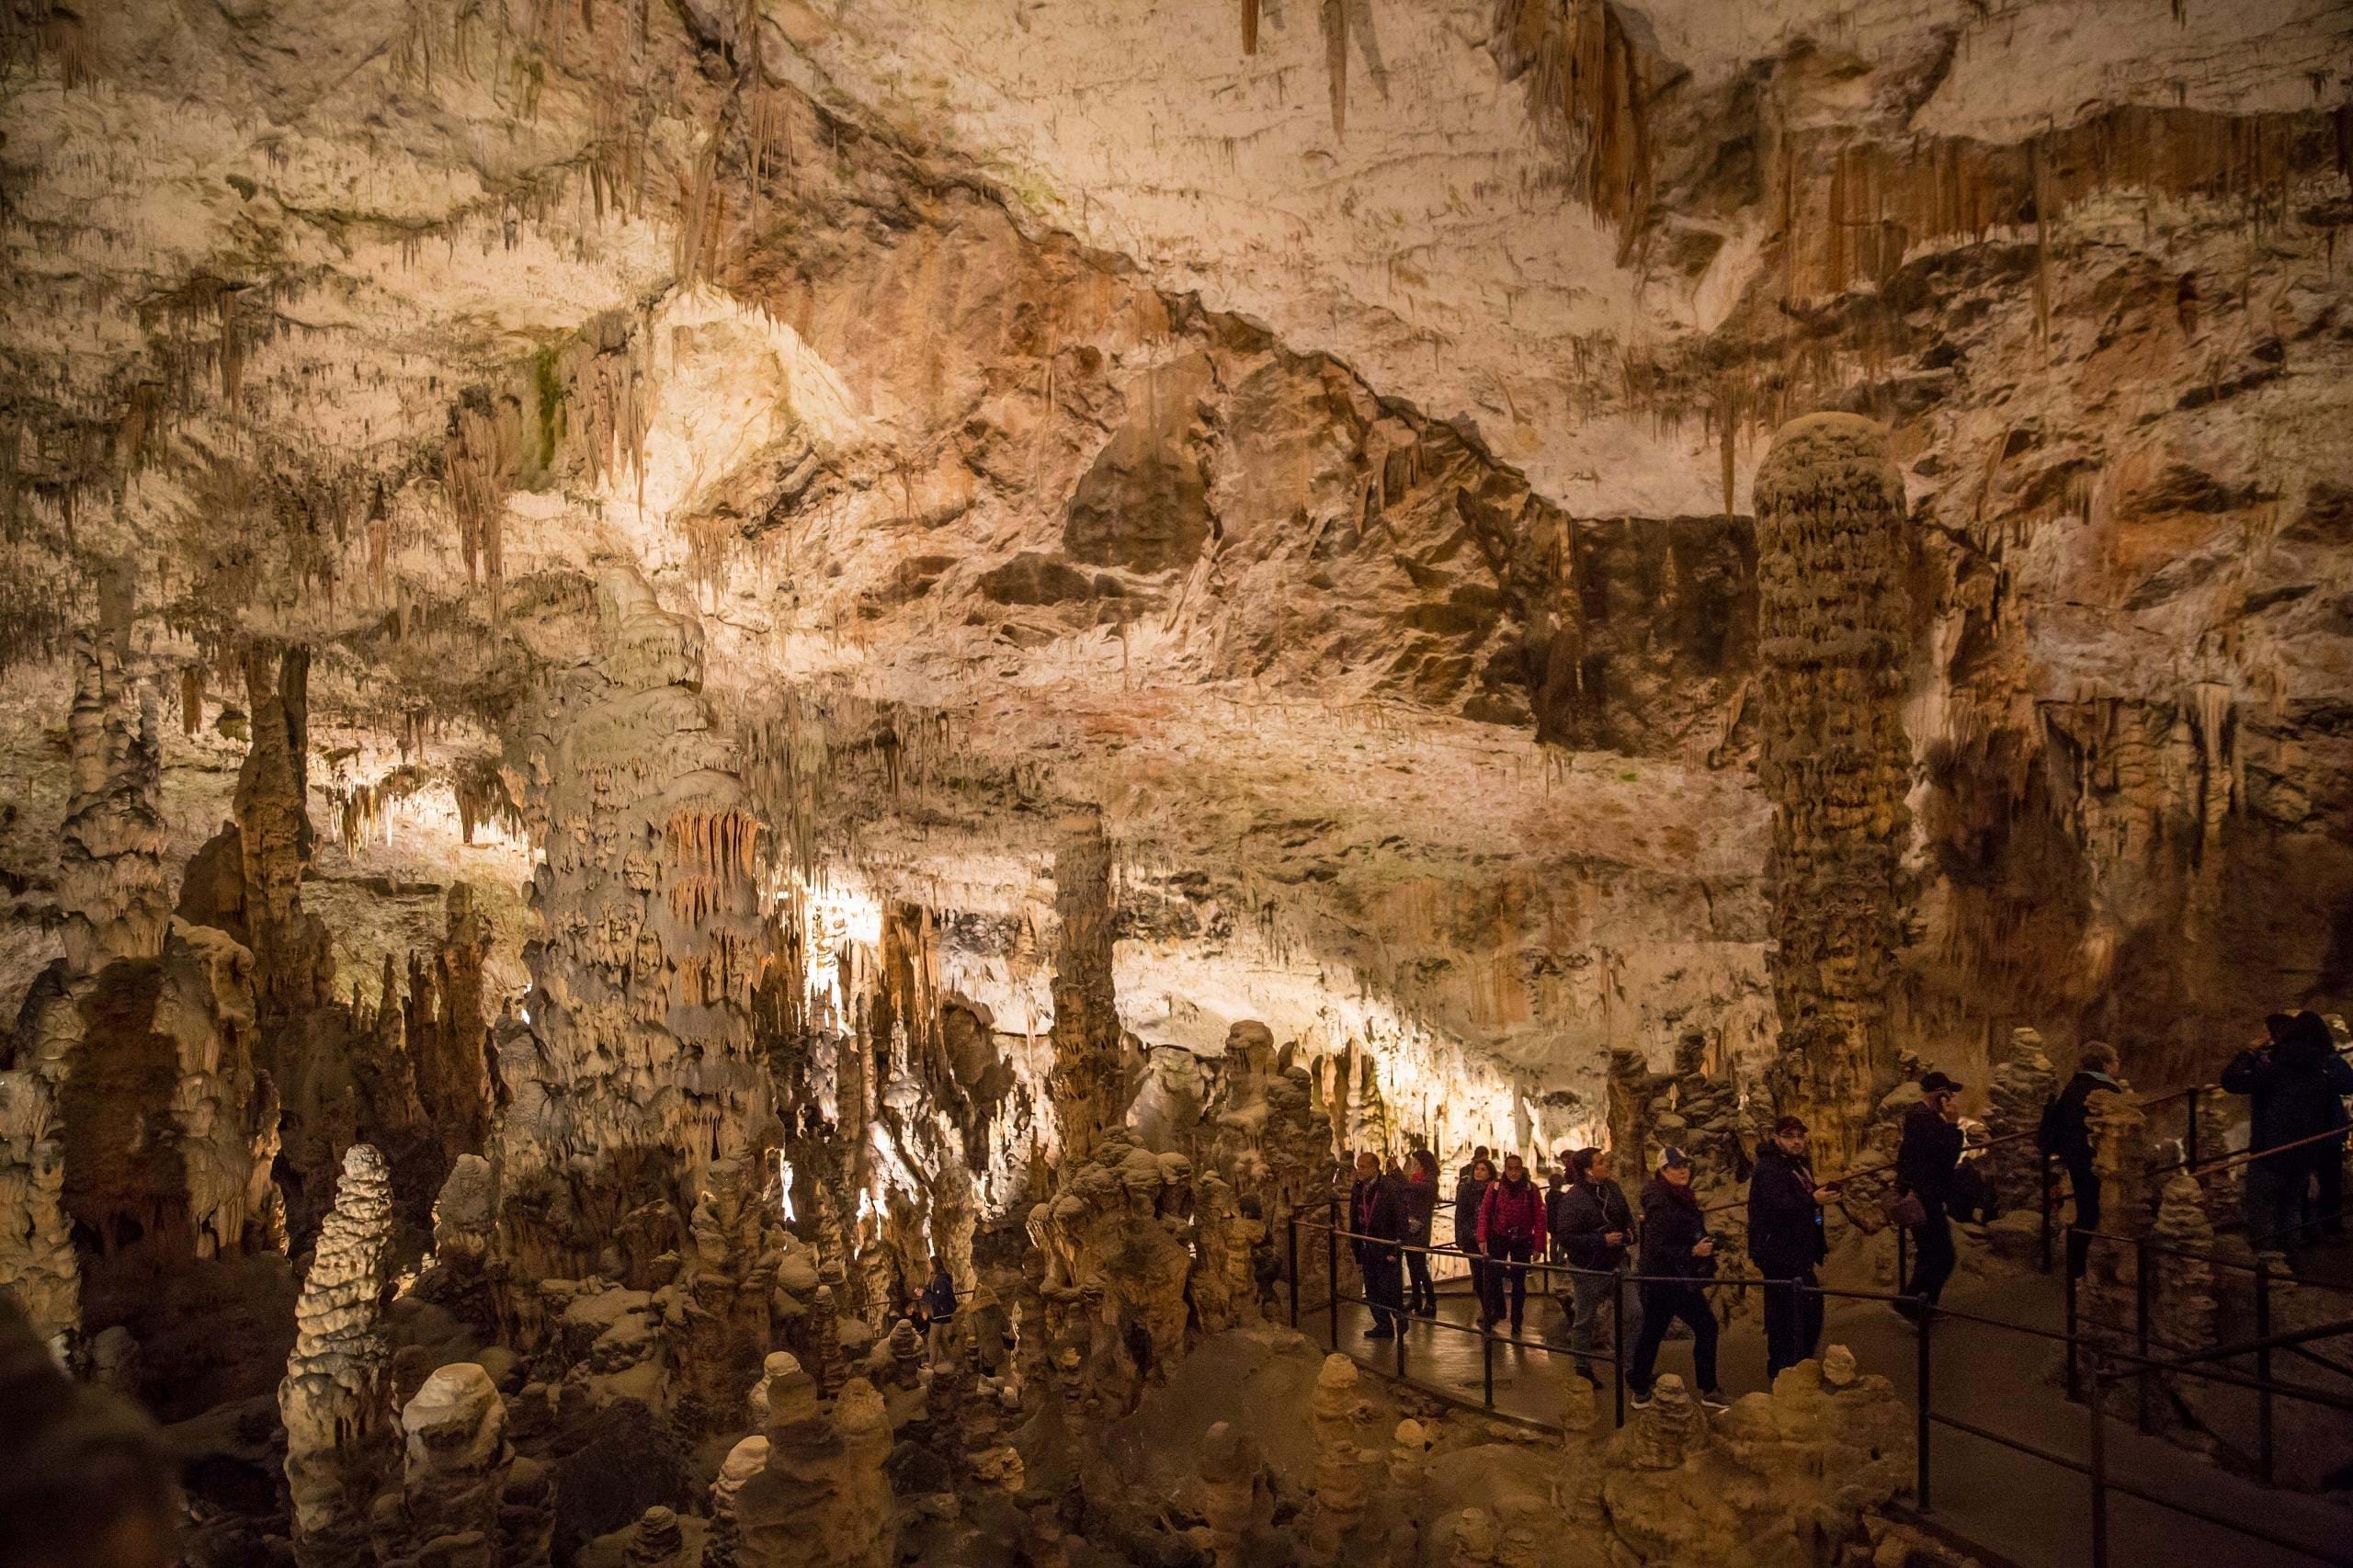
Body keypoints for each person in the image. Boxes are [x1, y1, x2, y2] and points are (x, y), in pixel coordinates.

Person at [2224, 1011, 2353, 1246]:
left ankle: (2268, 1269)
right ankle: (2289, 1266)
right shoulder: (2319, 1067)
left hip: (2271, 1151)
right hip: (2304, 1149)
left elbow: (2231, 1081)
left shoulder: (2277, 1069)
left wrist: (2250, 1052)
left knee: (2264, 1213)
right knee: (2291, 1209)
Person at [1625, 1147, 1725, 1411]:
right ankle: (1709, 1389)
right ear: (1662, 1171)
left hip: (1668, 1276)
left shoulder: (1678, 1196)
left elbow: (1682, 1232)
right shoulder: (1660, 1201)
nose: (1682, 1170)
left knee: (1653, 1331)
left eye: (1685, 1165)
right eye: (1675, 1167)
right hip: (1669, 1278)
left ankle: (1639, 1387)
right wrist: (1693, 1251)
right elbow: (1658, 1245)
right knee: (1706, 1326)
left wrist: (1706, 1242)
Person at [1748, 1115, 1838, 1381]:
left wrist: (1818, 1203)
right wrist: (1813, 1200)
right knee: (1790, 1314)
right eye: (1789, 1136)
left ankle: (1795, 1367)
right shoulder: (1770, 1168)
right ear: (1776, 1138)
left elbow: (1802, 1203)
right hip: (1778, 1252)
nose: (1797, 1141)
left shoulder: (1797, 1165)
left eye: (1800, 1136)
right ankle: (1785, 1371)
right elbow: (1778, 1206)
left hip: (1797, 1250)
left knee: (1799, 1311)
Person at [1555, 1146, 1639, 1383]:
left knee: (1634, 1313)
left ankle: (1631, 1366)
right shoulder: (1573, 1199)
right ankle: (1583, 1369)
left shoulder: (1613, 1189)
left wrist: (1630, 1234)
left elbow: (1626, 1217)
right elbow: (1566, 1236)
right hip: (1588, 1269)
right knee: (1585, 1320)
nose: (1606, 1165)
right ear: (1588, 1170)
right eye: (1600, 1162)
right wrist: (1600, 1240)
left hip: (1617, 1264)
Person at [2040, 1041, 2120, 1278]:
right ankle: (2077, 1268)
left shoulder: (2072, 1087)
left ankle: (2078, 1265)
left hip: (2075, 1157)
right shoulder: (2105, 1091)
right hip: (2094, 1159)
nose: (2118, 1064)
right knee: (2092, 1211)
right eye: (2115, 1060)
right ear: (2105, 1064)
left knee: (2087, 1207)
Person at [1896, 1071, 1967, 1316]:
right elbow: (1947, 1154)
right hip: (1925, 1197)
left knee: (1931, 1254)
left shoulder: (1921, 1117)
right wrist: (1952, 1123)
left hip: (1927, 1194)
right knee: (1942, 1256)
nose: (1953, 1099)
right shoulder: (1924, 1120)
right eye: (1949, 1094)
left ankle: (1914, 1304)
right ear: (1939, 1095)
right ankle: (1916, 1307)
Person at [1476, 1153, 1549, 1334]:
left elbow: (1540, 1218)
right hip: (1499, 1235)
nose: (1514, 1173)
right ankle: (1496, 1311)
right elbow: (1485, 1213)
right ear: (1505, 1169)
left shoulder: (1531, 1189)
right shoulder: (1495, 1187)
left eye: (1517, 1169)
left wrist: (1539, 1245)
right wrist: (1482, 1238)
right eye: (1510, 1169)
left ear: (1521, 1169)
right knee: (1493, 1275)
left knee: (1519, 1281)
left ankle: (1517, 1320)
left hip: (1523, 1238)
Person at [1349, 1151, 1408, 1337]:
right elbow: (1354, 1217)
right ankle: (1383, 1325)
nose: (1359, 1170)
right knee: (1372, 1288)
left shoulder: (1389, 1187)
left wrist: (1395, 1248)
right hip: (1367, 1245)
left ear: (1375, 1168)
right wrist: (1356, 1246)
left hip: (1385, 1245)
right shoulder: (1358, 1188)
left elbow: (1400, 1218)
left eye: (1363, 1166)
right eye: (1358, 1166)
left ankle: (1400, 1316)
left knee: (1388, 1287)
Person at [1454, 1153, 1496, 1314]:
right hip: (1471, 1237)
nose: (1479, 1172)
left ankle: (1493, 1307)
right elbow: (1460, 1214)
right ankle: (1487, 1309)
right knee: (1478, 1277)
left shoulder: (1494, 1190)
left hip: (1490, 1237)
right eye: (1477, 1169)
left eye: (1483, 1169)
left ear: (1489, 1173)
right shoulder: (1466, 1189)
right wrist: (1459, 1237)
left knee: (1491, 1275)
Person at [1401, 1148, 1440, 1317]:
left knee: (1420, 1267)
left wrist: (1397, 1172)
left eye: (1417, 1163)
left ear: (1424, 1165)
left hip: (1420, 1229)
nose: (1414, 1167)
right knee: (1412, 1265)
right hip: (1410, 1227)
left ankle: (1431, 1303)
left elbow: (1411, 1188)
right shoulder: (1417, 1179)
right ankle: (1416, 1299)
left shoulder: (1430, 1182)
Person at [920, 1255, 959, 1359]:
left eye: (929, 1263)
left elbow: (939, 1299)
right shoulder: (934, 1277)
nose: (927, 1265)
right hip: (937, 1313)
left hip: (940, 1313)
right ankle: (950, 1359)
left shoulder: (941, 1280)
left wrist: (924, 1294)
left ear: (934, 1265)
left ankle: (932, 1365)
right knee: (941, 1339)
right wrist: (923, 1291)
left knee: (932, 1340)